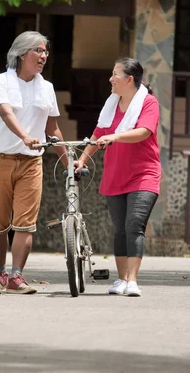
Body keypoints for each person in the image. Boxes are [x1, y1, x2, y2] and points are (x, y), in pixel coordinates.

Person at [0, 31, 67, 294]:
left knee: (25, 223)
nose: (44, 56)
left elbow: (53, 129)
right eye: (38, 51)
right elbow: (6, 114)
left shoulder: (47, 88)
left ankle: (16, 277)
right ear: (21, 54)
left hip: (32, 163)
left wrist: (68, 163)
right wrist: (25, 137)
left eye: (46, 51)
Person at [75, 58, 161, 297]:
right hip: (115, 175)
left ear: (129, 79)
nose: (110, 79)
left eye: (115, 74)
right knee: (120, 229)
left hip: (144, 175)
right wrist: (82, 159)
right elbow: (98, 133)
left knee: (134, 224)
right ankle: (121, 279)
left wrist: (114, 137)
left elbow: (143, 132)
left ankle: (132, 281)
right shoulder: (111, 105)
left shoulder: (148, 103)